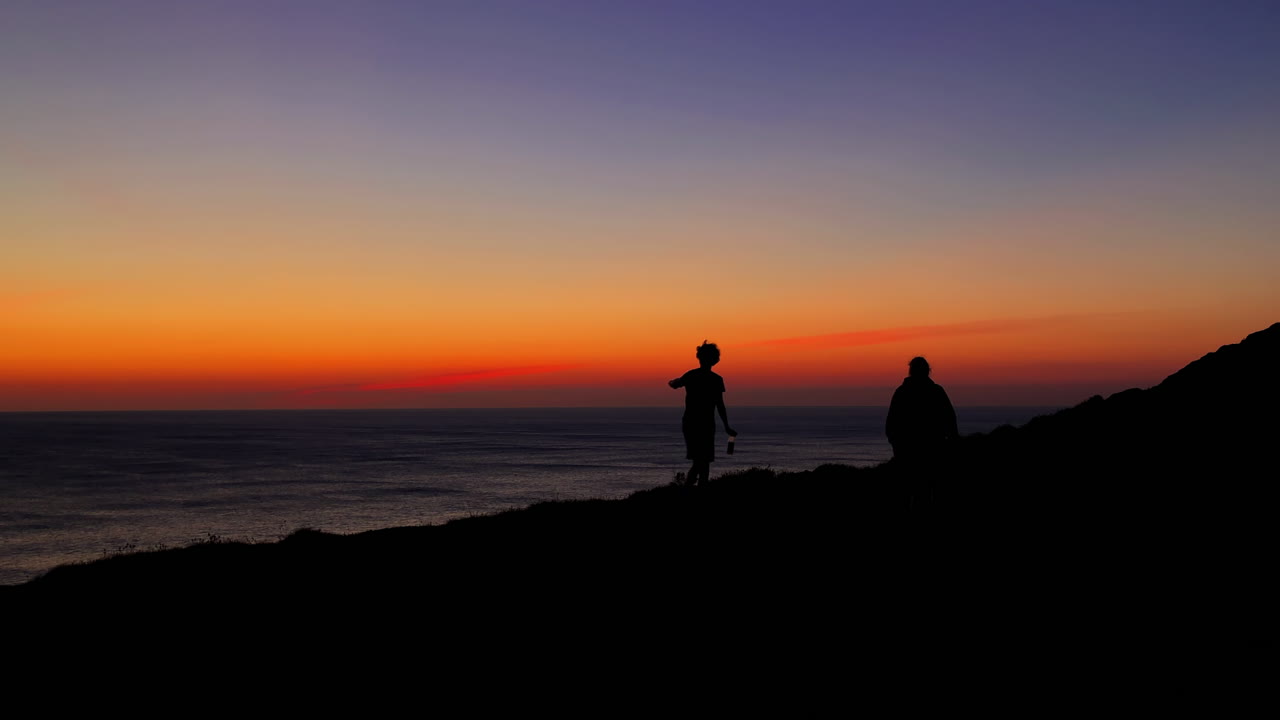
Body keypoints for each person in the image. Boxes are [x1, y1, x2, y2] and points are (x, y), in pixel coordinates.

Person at [885, 356, 958, 509]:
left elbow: (891, 423)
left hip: (915, 450)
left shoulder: (903, 392)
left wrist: (897, 444)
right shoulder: (935, 391)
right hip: (927, 449)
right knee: (925, 490)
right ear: (927, 371)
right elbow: (950, 419)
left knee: (911, 490)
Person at [669, 341, 736, 487]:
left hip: (691, 423)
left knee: (701, 460)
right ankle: (695, 487)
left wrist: (672, 381)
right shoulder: (716, 380)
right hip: (705, 424)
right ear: (715, 359)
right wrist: (726, 426)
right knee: (703, 460)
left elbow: (675, 384)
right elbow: (720, 405)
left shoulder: (691, 375)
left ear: (699, 358)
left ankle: (694, 487)